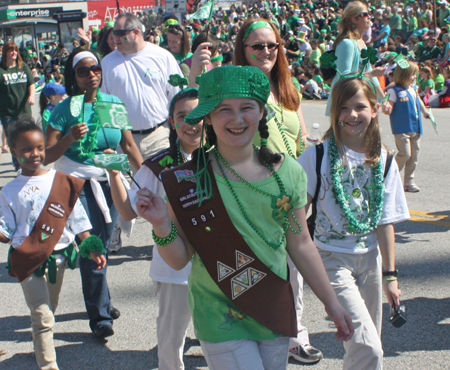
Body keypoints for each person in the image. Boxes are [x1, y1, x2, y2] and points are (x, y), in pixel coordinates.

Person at [135, 65, 353, 370]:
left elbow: (301, 243)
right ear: (208, 117)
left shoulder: (288, 173)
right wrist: (161, 224)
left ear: (262, 112)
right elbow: (178, 259)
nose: (237, 119)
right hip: (219, 313)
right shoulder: (188, 179)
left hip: (272, 306)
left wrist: (331, 302)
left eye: (246, 108)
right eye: (224, 109)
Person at [298, 75, 409, 370]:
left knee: (369, 348)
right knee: (367, 349)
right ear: (334, 113)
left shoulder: (384, 161)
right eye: (343, 108)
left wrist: (390, 276)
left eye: (359, 107)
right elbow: (295, 214)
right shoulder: (317, 156)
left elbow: (385, 222)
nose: (351, 115)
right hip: (331, 260)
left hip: (369, 260)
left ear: (374, 109)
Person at [234, 19, 322, 364]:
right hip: (248, 188)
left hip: (289, 190)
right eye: (257, 46)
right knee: (252, 267)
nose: (266, 52)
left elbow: (300, 139)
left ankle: (294, 334)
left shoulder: (288, 86)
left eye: (272, 46)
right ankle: (248, 328)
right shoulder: (236, 85)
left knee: (293, 265)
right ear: (242, 50)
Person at [43, 49, 143, 339]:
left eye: (95, 68)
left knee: (106, 241)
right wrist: (69, 138)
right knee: (92, 246)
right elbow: (47, 156)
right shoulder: (64, 109)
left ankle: (103, 300)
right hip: (76, 182)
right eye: (83, 71)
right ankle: (99, 316)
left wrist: (148, 178)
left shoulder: (113, 104)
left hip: (110, 179)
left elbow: (129, 146)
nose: (92, 75)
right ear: (73, 77)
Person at [0, 116, 105, 370]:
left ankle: (40, 345)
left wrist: (90, 246)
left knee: (49, 309)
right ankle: (48, 365)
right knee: (43, 315)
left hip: (59, 256)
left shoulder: (62, 181)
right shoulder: (9, 191)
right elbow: (6, 231)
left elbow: (77, 218)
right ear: (13, 151)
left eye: (39, 148)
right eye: (26, 149)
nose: (34, 154)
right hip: (28, 259)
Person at [107, 88, 201, 370]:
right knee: (171, 338)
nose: (190, 123)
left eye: (197, 115)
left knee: (219, 337)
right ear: (172, 122)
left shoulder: (225, 159)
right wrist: (114, 174)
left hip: (217, 263)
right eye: (182, 116)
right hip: (175, 270)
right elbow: (127, 210)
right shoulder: (158, 166)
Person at [100, 12, 181, 251]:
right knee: (122, 188)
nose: (113, 38)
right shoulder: (107, 63)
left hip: (158, 134)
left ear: (136, 32)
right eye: (112, 33)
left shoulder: (161, 56)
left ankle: (169, 235)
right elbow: (103, 103)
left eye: (119, 33)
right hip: (122, 139)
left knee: (166, 187)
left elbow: (175, 94)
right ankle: (117, 230)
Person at [326, 1, 386, 116]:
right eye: (365, 14)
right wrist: (371, 73)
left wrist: (383, 99)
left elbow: (371, 75)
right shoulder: (346, 44)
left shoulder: (362, 43)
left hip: (359, 100)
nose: (369, 17)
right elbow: (344, 77)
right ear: (354, 19)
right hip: (344, 103)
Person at [384, 61, 430, 193]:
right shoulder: (394, 90)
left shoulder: (413, 89)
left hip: (415, 127)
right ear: (403, 75)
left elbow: (418, 101)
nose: (414, 77)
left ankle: (409, 181)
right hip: (402, 127)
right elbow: (390, 103)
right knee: (405, 153)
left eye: (415, 74)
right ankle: (389, 175)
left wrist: (425, 112)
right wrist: (388, 108)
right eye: (412, 74)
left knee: (414, 156)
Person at [0, 41, 35, 163]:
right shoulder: (1, 70)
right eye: (11, 50)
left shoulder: (23, 66)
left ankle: (29, 161)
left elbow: (31, 83)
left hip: (24, 110)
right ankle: (19, 164)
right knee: (14, 141)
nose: (14, 52)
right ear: (5, 52)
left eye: (15, 50)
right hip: (8, 113)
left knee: (27, 138)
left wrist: (31, 96)